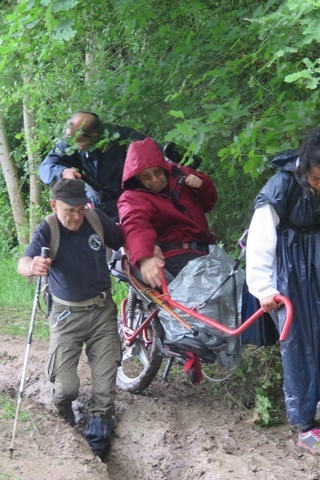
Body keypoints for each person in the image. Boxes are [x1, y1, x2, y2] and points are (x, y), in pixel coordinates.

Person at [246, 127, 320, 456]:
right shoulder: (282, 184)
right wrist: (263, 288)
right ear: (304, 169)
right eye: (316, 179)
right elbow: (260, 238)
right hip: (287, 267)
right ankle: (305, 426)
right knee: (300, 341)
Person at [17, 178, 124, 461]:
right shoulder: (47, 229)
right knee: (66, 389)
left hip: (102, 311)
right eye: (70, 210)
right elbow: (23, 264)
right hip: (67, 316)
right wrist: (33, 267)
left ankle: (99, 439)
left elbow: (124, 238)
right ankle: (64, 416)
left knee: (105, 388)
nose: (77, 216)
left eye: (80, 208)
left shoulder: (95, 219)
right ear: (54, 205)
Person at [117, 137, 217, 289]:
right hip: (174, 256)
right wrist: (144, 258)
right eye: (146, 176)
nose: (155, 179)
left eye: (157, 172)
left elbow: (208, 203)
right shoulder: (132, 198)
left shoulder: (179, 174)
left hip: (206, 249)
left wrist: (201, 184)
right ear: (137, 177)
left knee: (240, 287)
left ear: (163, 167)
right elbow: (135, 225)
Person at [39, 111, 150, 221]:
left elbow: (156, 157)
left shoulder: (125, 138)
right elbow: (46, 167)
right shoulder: (71, 142)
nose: (76, 145)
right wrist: (62, 172)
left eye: (81, 141)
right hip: (97, 207)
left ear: (94, 134)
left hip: (132, 203)